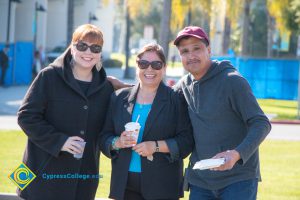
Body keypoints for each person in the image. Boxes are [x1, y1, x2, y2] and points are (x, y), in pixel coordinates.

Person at [17, 24, 124, 200]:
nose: (88, 52)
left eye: (95, 47)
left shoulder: (105, 88)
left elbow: (106, 131)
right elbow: (26, 116)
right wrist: (61, 141)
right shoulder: (48, 76)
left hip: (84, 181)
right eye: (82, 46)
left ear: (100, 53)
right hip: (41, 175)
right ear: (72, 47)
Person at [173, 26, 272, 200]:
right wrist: (119, 87)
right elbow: (159, 97)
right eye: (185, 51)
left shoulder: (232, 81)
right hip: (200, 181)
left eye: (197, 48)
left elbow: (261, 123)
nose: (191, 56)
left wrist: (236, 154)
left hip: (238, 180)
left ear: (209, 50)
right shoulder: (184, 85)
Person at [99, 43, 194, 200]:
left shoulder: (176, 99)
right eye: (143, 64)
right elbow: (104, 137)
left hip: (163, 186)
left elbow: (186, 141)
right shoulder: (118, 98)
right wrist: (118, 142)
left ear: (163, 68)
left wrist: (156, 146)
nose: (149, 69)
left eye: (156, 64)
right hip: (124, 186)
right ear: (137, 67)